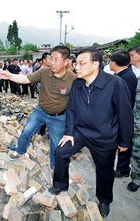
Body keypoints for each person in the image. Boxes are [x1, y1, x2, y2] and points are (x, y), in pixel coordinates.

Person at [48, 49, 134, 217]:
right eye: (76, 63)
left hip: (104, 136)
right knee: (61, 151)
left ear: (95, 64)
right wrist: (69, 133)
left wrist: (125, 141)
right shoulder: (78, 84)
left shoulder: (115, 84)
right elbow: (71, 109)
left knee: (104, 170)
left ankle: (104, 200)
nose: (76, 67)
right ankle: (60, 184)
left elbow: (125, 114)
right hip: (80, 132)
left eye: (81, 63)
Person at [0, 46, 76, 169]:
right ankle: (20, 150)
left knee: (56, 145)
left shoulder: (72, 79)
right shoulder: (44, 72)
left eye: (56, 59)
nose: (52, 63)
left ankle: (55, 168)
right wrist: (10, 76)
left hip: (58, 117)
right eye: (51, 59)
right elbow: (26, 78)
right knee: (26, 132)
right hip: (40, 112)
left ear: (66, 62)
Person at [109, 50, 137, 178]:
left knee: (124, 143)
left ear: (114, 63)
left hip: (123, 115)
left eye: (110, 61)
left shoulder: (126, 77)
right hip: (119, 114)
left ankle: (123, 169)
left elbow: (126, 102)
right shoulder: (122, 75)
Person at [127, 45, 140, 192]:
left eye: (132, 55)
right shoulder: (132, 72)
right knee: (136, 153)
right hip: (136, 122)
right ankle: (136, 179)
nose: (130, 58)